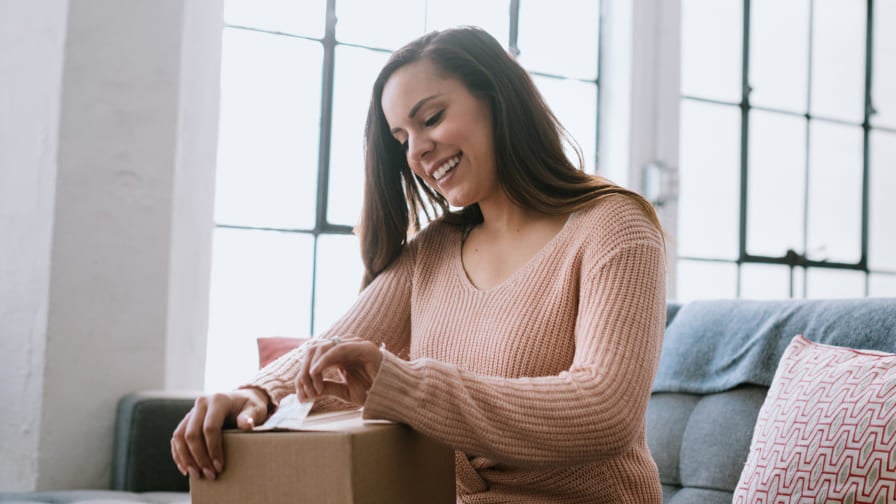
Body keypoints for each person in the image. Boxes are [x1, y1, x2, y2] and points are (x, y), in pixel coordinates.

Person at [171, 26, 666, 503]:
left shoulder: (614, 226)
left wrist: (406, 385)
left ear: (497, 98)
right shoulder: (432, 252)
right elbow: (332, 354)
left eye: (430, 119)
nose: (417, 151)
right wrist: (256, 396)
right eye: (401, 138)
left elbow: (604, 411)